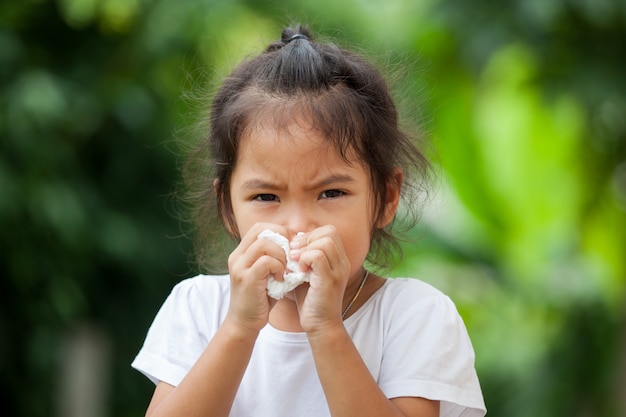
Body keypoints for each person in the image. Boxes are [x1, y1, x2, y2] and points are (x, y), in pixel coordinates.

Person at [132, 24, 486, 417]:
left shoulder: (414, 316)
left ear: (385, 198)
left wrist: (326, 329)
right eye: (266, 197)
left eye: (331, 193)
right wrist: (239, 329)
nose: (299, 224)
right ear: (228, 209)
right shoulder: (200, 308)